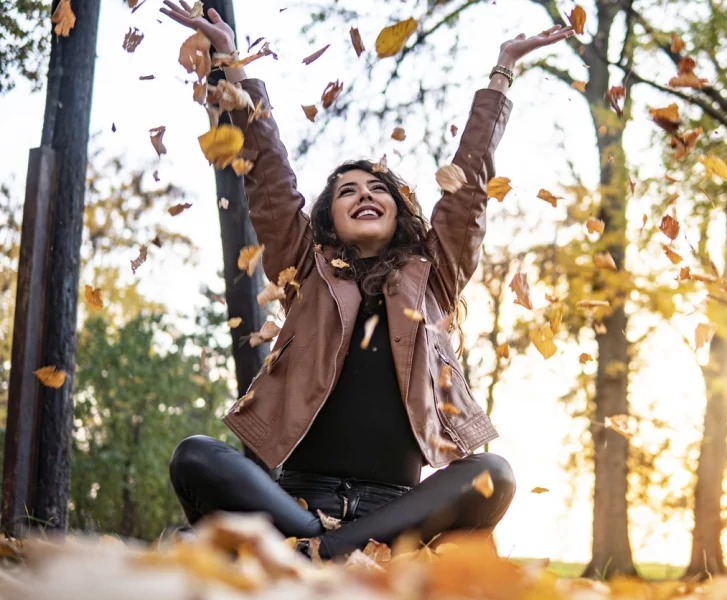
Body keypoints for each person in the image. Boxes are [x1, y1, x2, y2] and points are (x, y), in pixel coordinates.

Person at [160, 1, 574, 560]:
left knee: (492, 472)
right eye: (348, 190)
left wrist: (502, 72)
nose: (365, 194)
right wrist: (231, 65)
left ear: (400, 213)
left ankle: (319, 553)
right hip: (295, 502)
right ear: (327, 216)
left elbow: (470, 188)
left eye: (378, 188)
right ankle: (328, 548)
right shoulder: (302, 269)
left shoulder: (433, 278)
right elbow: (268, 176)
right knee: (195, 455)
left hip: (395, 511)